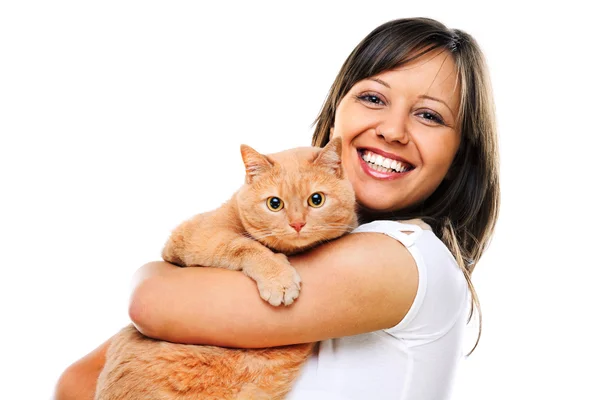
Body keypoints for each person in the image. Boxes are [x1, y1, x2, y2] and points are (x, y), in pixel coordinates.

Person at [54, 17, 499, 400]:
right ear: (338, 109)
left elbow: (150, 303)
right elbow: (78, 382)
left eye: (429, 116)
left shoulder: (403, 256)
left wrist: (156, 271)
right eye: (374, 98)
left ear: (462, 151)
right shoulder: (308, 245)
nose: (392, 130)